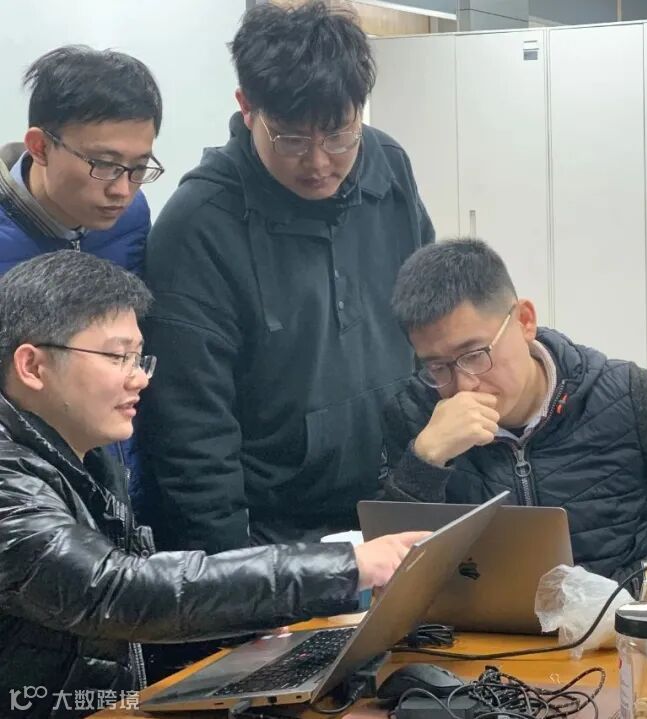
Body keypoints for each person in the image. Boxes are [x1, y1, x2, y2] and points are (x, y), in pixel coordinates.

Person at [0, 251, 426, 719]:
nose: (139, 378)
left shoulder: (89, 458)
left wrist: (246, 616)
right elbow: (114, 591)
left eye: (139, 358)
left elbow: (131, 625)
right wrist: (347, 567)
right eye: (118, 356)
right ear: (32, 366)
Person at [138, 0, 434, 553]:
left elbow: (429, 320)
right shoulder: (199, 224)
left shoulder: (388, 165)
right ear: (247, 108)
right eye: (292, 139)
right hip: (276, 534)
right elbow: (192, 431)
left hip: (394, 495)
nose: (319, 162)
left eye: (339, 134)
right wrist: (238, 576)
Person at [378, 238, 647, 585]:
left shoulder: (615, 394)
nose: (464, 385)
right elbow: (393, 575)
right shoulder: (416, 414)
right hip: (474, 635)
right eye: (437, 367)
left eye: (475, 354)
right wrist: (425, 460)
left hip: (613, 628)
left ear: (524, 321)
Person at [0, 45, 164, 496]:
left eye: (138, 167)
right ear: (40, 146)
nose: (122, 190)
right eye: (104, 165)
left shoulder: (131, 218)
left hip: (122, 485)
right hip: (28, 498)